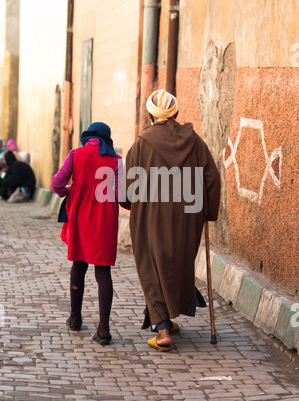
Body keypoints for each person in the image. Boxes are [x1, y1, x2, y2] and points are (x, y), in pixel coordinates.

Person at [125, 89, 221, 352]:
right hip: (188, 218)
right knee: (177, 263)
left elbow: (128, 189)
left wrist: (129, 203)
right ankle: (166, 314)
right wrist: (208, 212)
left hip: (151, 217)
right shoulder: (196, 142)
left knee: (151, 266)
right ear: (175, 113)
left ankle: (163, 330)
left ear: (150, 115)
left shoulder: (142, 143)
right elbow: (212, 179)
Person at [51, 122, 129, 346]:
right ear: (107, 139)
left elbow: (57, 182)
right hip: (104, 222)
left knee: (79, 265)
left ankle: (75, 318)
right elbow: (123, 198)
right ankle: (103, 330)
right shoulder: (116, 161)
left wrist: (69, 191)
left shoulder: (76, 154)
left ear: (88, 137)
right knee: (102, 271)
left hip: (79, 219)